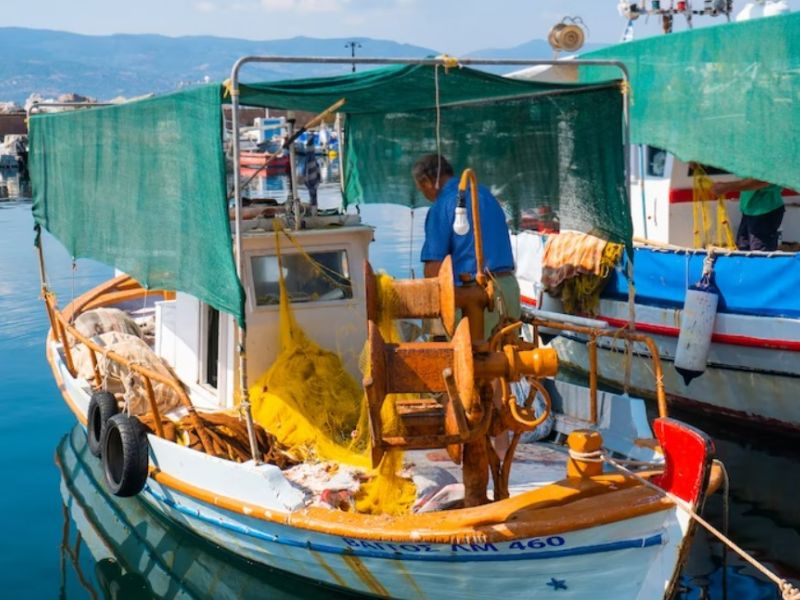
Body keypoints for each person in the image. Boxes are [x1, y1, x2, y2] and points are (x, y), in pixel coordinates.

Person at [413, 153, 520, 336]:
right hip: (509, 290)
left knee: (472, 361)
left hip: (476, 299)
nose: (425, 195)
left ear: (426, 182)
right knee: (508, 357)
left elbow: (434, 268)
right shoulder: (486, 195)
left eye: (421, 189)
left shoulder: (442, 206)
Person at [712, 177, 785, 251]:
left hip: (765, 212)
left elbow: (762, 180)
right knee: (743, 248)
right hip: (750, 210)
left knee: (759, 255)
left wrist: (726, 187)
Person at [303, 136, 321, 208]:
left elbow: (306, 173)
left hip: (313, 183)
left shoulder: (311, 161)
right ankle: (313, 207)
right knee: (313, 195)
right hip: (311, 183)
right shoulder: (310, 161)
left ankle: (314, 207)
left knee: (313, 195)